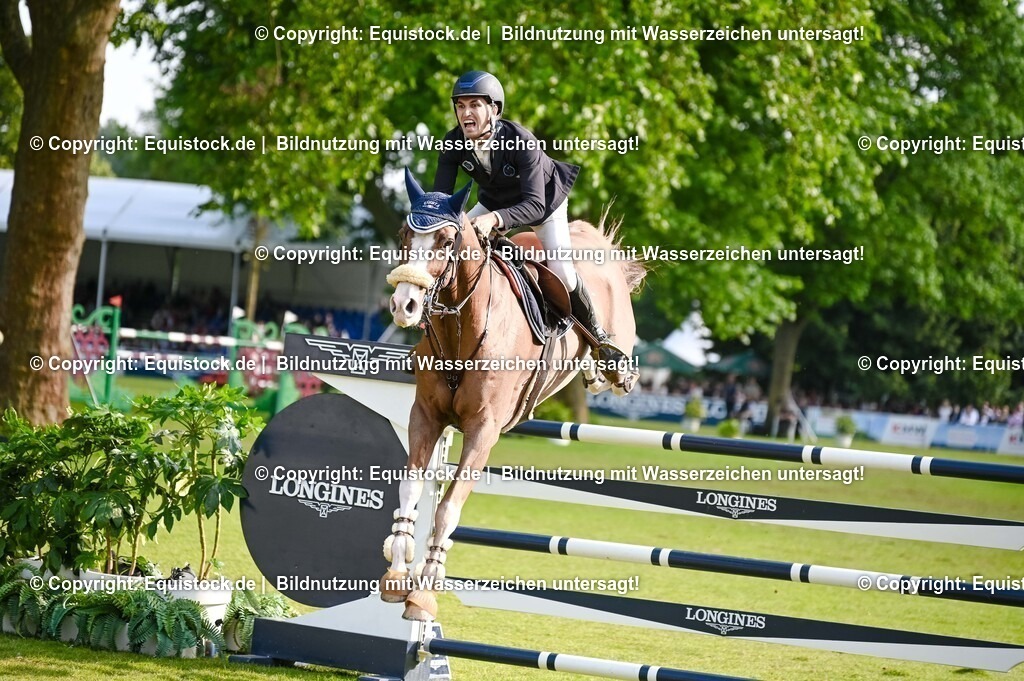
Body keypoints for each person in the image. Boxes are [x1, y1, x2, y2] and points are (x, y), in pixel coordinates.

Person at [433, 70, 628, 367]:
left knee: (562, 271)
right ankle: (430, 333)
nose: (466, 113)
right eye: (460, 106)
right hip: (496, 202)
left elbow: (534, 205)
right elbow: (441, 201)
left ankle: (600, 340)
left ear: (494, 110)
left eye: (475, 105)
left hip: (544, 205)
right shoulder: (453, 143)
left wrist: (495, 220)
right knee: (448, 245)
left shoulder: (521, 141)